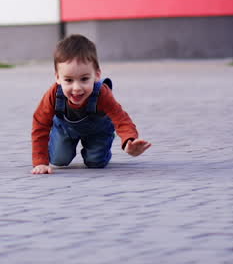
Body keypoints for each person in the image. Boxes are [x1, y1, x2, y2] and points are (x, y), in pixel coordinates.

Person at [31, 33, 151, 174]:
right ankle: (63, 144)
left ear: (97, 75)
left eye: (84, 79)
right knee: (59, 160)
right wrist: (40, 162)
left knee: (95, 162)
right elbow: (40, 124)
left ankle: (102, 147)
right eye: (68, 80)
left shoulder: (102, 93)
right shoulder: (53, 94)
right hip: (66, 130)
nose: (76, 88)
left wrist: (129, 140)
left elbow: (121, 119)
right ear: (58, 77)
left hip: (97, 131)